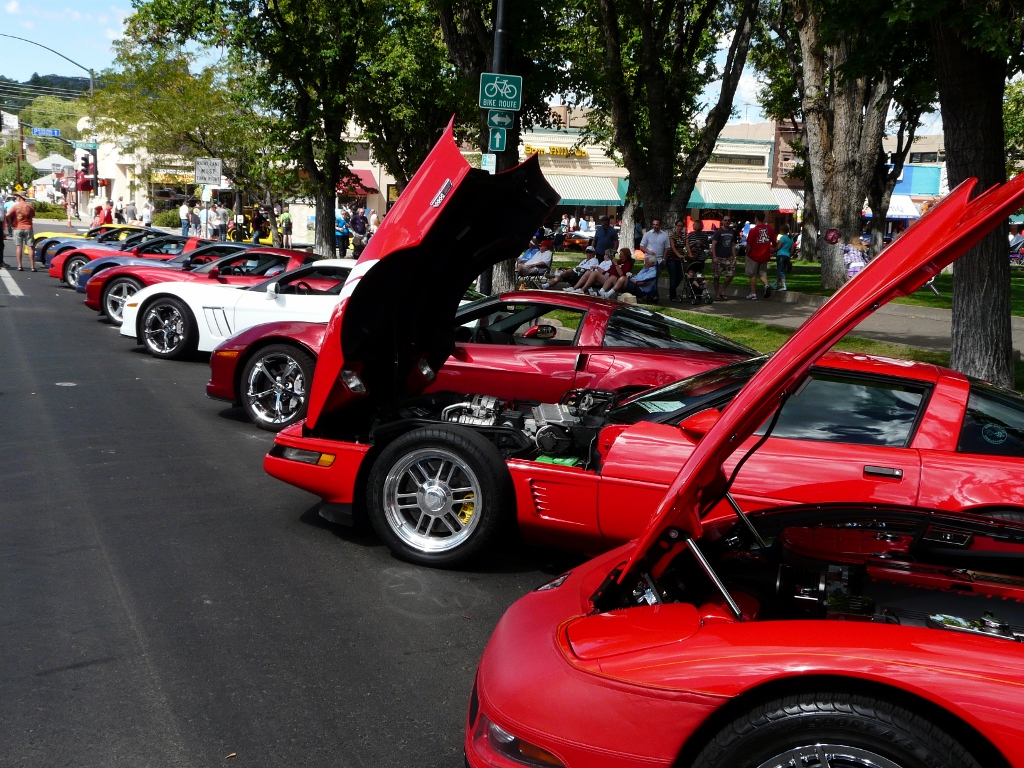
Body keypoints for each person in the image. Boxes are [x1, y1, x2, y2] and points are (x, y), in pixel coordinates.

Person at [744, 212, 775, 299]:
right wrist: (774, 249)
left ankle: (753, 293)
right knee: (762, 273)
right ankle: (766, 285)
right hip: (764, 254)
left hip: (753, 255)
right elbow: (774, 241)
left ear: (756, 218)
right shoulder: (769, 229)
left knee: (753, 274)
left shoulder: (753, 230)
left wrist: (747, 254)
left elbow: (749, 244)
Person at [5, 193, 36, 271]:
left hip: (18, 227)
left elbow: (8, 214)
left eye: (17, 197)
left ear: (19, 197)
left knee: (19, 247)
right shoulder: (30, 206)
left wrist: (10, 222)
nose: (16, 198)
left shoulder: (16, 206)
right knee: (30, 247)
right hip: (28, 228)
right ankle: (32, 266)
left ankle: (19, 266)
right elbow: (33, 215)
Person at [711, 216, 738, 301]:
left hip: (728, 257)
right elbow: (713, 245)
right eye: (725, 220)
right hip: (719, 257)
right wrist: (714, 257)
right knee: (716, 277)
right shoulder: (718, 232)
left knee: (731, 275)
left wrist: (734, 257)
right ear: (722, 221)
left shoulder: (732, 232)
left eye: (728, 220)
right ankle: (717, 294)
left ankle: (722, 290)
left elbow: (733, 245)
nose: (727, 221)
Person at [774, 224, 794, 291]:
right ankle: (775, 283)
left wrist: (773, 250)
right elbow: (792, 249)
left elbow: (778, 247)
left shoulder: (782, 238)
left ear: (782, 230)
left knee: (780, 270)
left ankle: (784, 285)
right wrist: (790, 255)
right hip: (787, 255)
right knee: (781, 269)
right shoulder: (791, 239)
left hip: (781, 255)